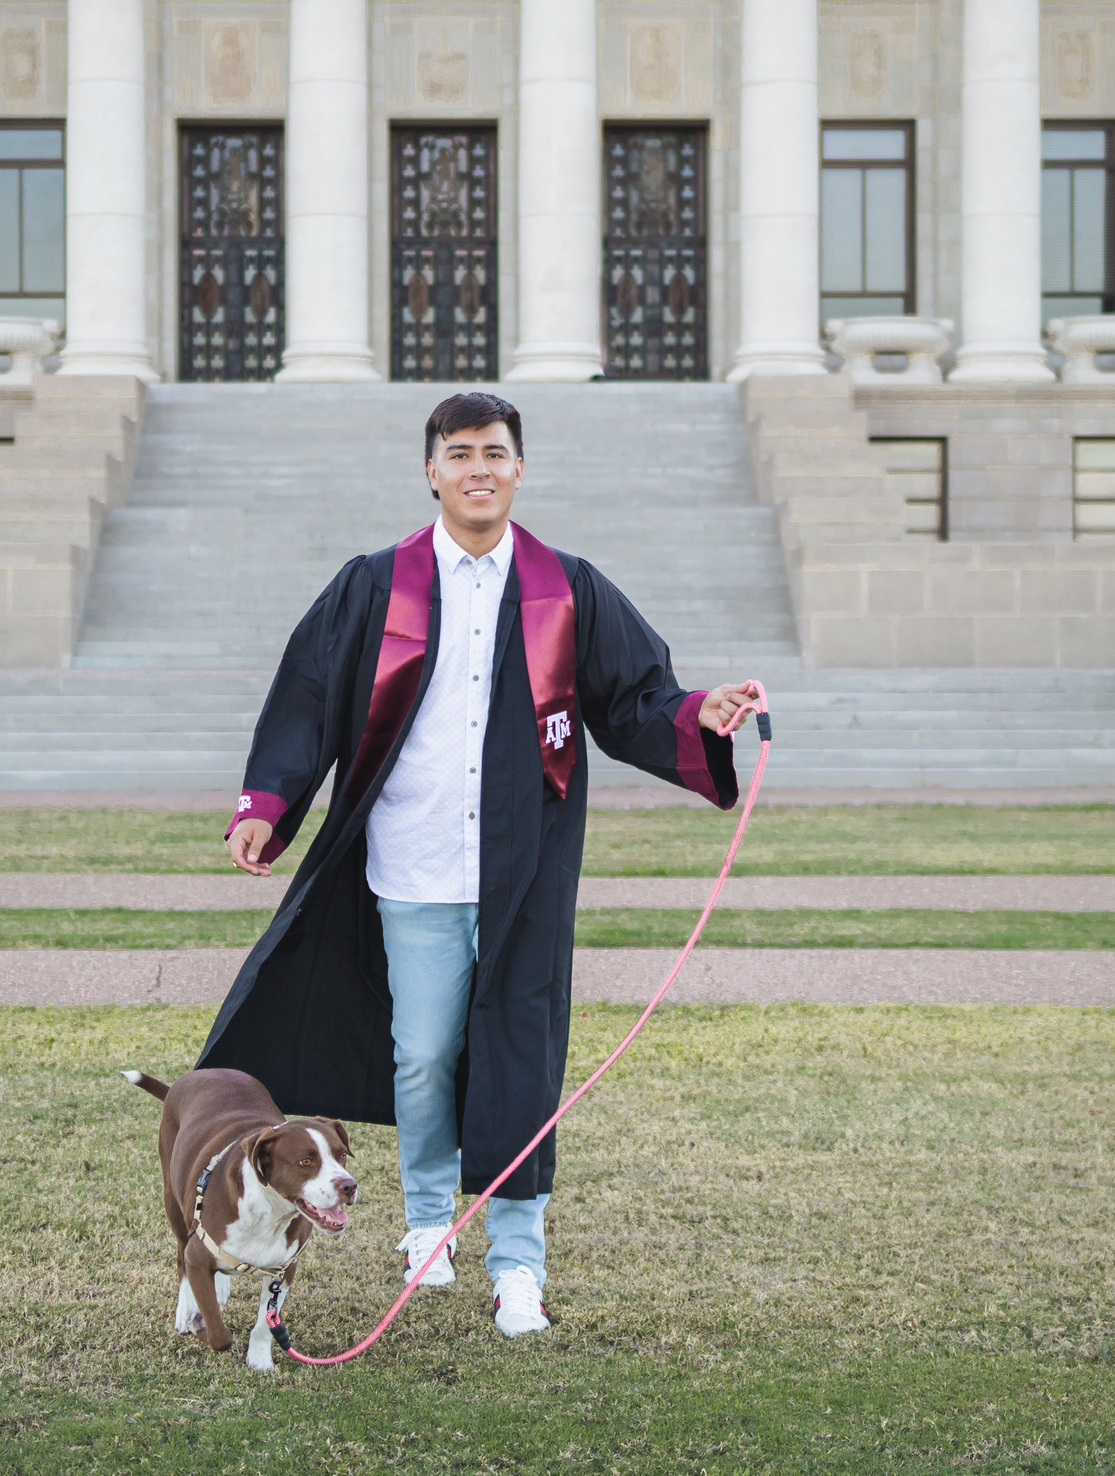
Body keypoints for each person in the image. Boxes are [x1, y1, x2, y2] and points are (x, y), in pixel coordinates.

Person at [201, 391, 764, 1339]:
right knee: (421, 1058)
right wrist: (266, 802)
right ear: (432, 471)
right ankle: (428, 1224)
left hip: (523, 877)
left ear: (518, 468)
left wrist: (698, 712)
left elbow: (636, 697)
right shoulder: (374, 585)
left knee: (520, 1064)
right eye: (459, 452)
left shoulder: (566, 588)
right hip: (412, 868)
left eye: (495, 452)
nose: (478, 467)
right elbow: (305, 695)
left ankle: (518, 1263)